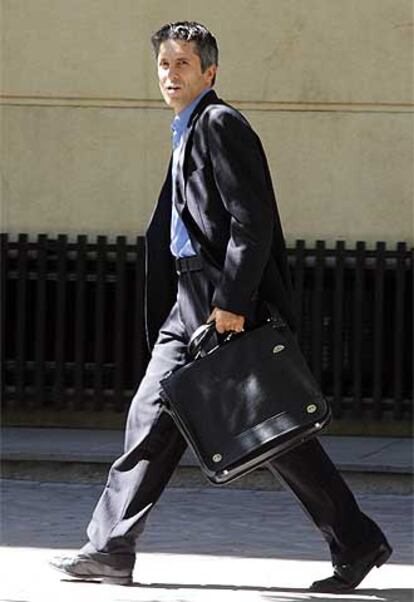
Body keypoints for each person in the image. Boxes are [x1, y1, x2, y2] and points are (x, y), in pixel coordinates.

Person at [50, 21, 392, 592]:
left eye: (183, 64)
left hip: (219, 304)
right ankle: (109, 549)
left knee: (270, 433)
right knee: (153, 418)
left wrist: (231, 302)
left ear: (210, 71)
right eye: (164, 64)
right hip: (188, 302)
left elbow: (250, 221)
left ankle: (356, 541)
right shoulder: (185, 129)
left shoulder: (219, 123)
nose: (170, 74)